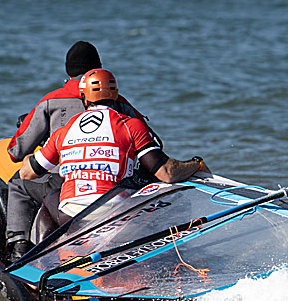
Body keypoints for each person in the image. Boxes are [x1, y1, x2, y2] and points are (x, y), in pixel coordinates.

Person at [5, 42, 153, 262]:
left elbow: (15, 151)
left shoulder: (51, 100)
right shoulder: (118, 102)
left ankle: (19, 249)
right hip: (112, 186)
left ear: (68, 70)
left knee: (18, 184)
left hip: (65, 184)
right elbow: (151, 142)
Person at [20, 68, 206, 222]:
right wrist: (196, 163)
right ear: (115, 94)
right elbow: (167, 173)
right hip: (116, 213)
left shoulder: (65, 130)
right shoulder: (131, 124)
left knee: (51, 198)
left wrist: (31, 156)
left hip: (72, 215)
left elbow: (27, 173)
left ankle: (45, 258)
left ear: (83, 97)